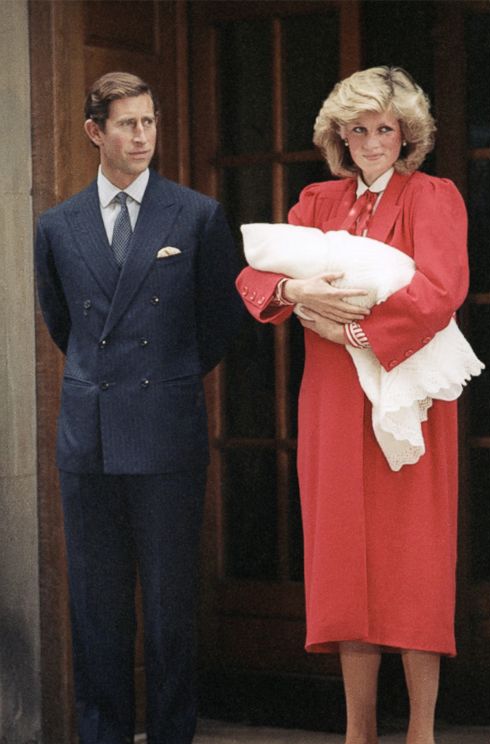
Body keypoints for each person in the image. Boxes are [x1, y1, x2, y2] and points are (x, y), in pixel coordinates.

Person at [235, 66, 468, 744]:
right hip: (334, 397)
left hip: (408, 391)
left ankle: (421, 730)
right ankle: (356, 730)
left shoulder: (433, 195)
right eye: (358, 129)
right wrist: (297, 294)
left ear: (407, 134)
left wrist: (357, 330)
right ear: (340, 135)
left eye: (385, 129)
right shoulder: (317, 201)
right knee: (344, 558)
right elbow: (255, 276)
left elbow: (442, 289)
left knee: (414, 557)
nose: (372, 142)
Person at [34, 71, 244, 743]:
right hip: (88, 439)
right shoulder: (57, 225)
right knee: (96, 608)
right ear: (96, 132)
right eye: (128, 124)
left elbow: (218, 325)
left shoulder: (197, 215)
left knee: (169, 608)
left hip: (166, 429)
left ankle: (173, 734)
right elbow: (62, 324)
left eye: (150, 121)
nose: (143, 136)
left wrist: (167, 375)